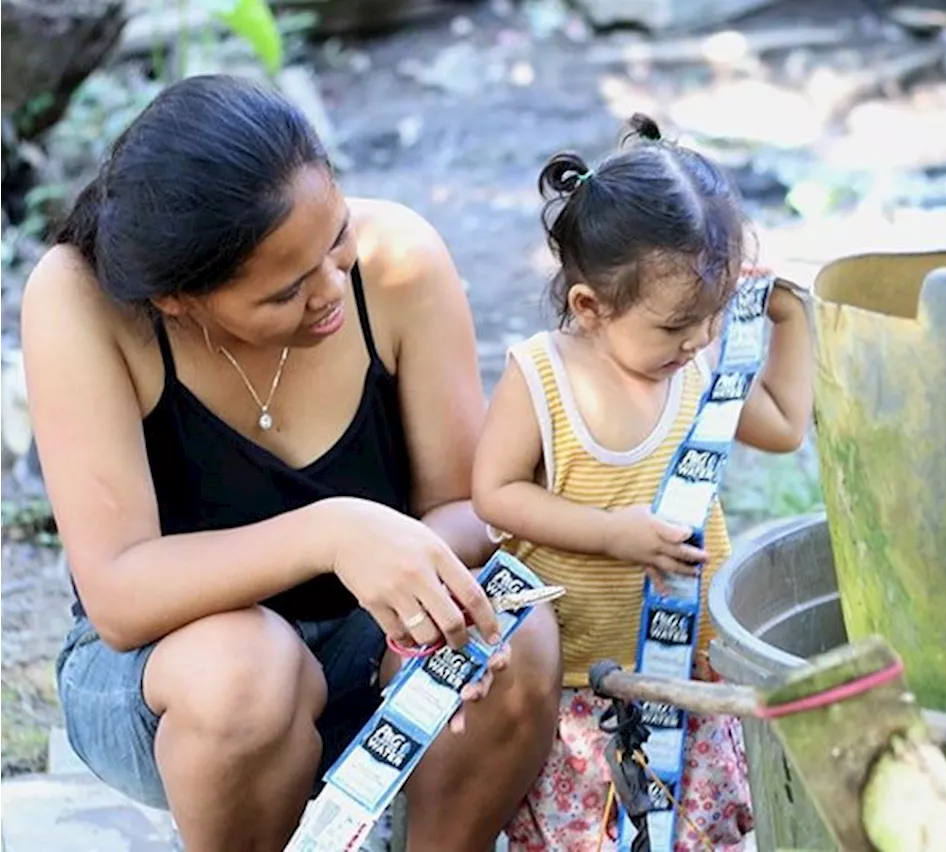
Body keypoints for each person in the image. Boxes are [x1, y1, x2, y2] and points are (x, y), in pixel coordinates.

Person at [20, 74, 562, 852]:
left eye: (336, 237)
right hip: (171, 687)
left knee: (518, 634)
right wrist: (331, 534)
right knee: (248, 672)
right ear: (180, 300)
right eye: (285, 291)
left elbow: (469, 507)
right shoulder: (82, 300)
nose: (333, 288)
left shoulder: (397, 261)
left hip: (376, 644)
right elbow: (119, 593)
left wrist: (427, 601)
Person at [471, 115, 814, 850]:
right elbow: (495, 496)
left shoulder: (694, 367)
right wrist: (610, 533)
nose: (696, 339)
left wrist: (788, 316)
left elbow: (784, 424)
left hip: (686, 680)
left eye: (712, 315)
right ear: (590, 307)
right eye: (674, 326)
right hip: (576, 696)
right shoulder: (542, 376)